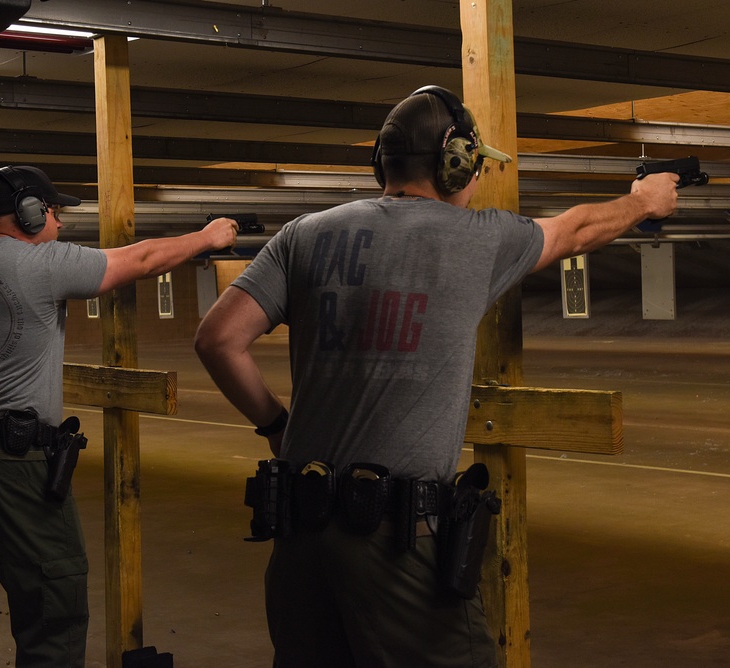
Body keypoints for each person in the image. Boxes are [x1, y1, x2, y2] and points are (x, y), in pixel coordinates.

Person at [193, 85, 679, 668]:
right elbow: (575, 229)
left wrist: (276, 425)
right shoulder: (475, 236)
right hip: (397, 542)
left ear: (382, 162)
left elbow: (218, 340)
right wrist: (643, 201)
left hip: (298, 538)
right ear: (457, 163)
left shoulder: (303, 234)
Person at [0, 164, 237, 668]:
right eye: (54, 213)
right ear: (30, 213)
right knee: (51, 610)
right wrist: (208, 237)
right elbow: (142, 258)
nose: (59, 224)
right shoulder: (45, 263)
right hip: (12, 464)